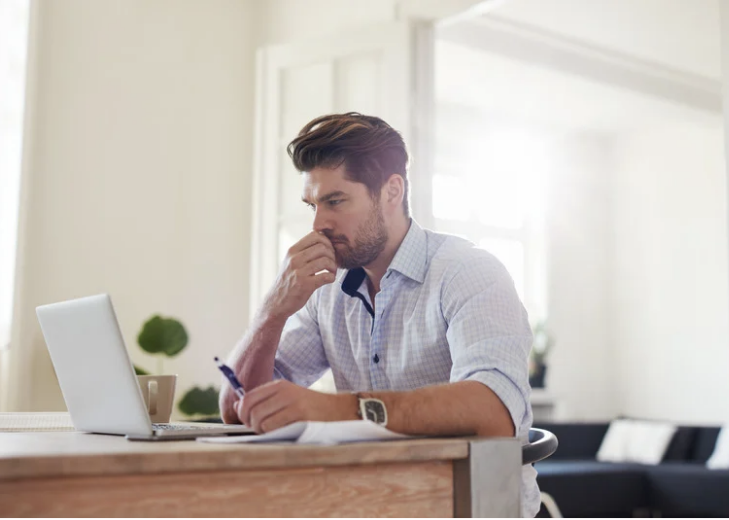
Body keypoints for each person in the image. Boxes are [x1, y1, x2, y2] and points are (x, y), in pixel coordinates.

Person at [220, 112, 539, 516]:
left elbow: (493, 412)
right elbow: (236, 408)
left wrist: (337, 410)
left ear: (391, 191)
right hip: (374, 506)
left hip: (473, 507)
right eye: (312, 205)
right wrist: (273, 310)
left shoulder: (468, 272)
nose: (319, 224)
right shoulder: (328, 291)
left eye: (335, 201)